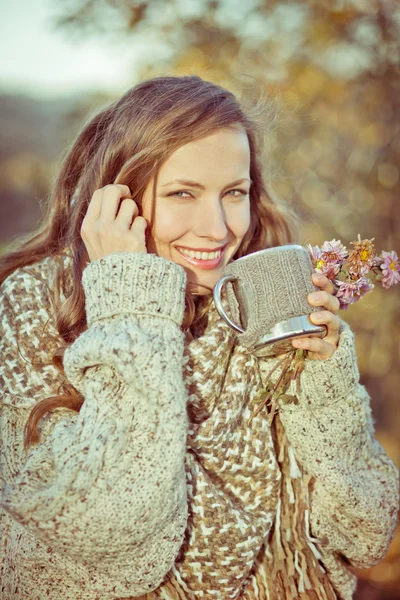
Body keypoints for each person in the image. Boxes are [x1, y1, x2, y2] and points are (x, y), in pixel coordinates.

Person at [0, 75, 398, 600]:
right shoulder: (32, 308)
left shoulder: (263, 300)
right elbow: (105, 538)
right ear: (113, 201)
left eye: (233, 193)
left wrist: (326, 390)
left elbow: (365, 535)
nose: (216, 229)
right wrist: (130, 299)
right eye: (182, 193)